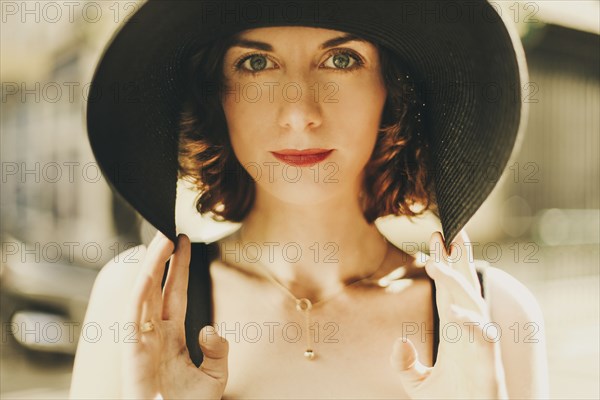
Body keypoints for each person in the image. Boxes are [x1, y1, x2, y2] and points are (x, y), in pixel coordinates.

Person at [70, 1, 549, 399]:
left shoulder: (495, 317)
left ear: (393, 90)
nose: (299, 112)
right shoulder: (136, 308)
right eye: (256, 63)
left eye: (341, 59)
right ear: (217, 95)